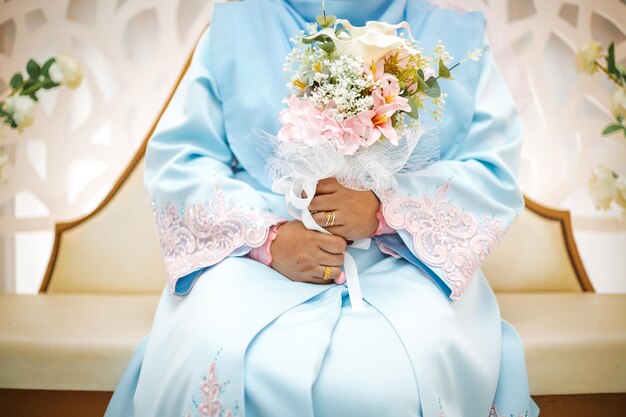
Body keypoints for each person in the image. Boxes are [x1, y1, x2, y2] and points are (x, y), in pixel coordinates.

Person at [105, 1, 540, 416]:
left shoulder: (456, 38)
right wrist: (268, 238)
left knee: (401, 371)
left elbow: (492, 171)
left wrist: (384, 211)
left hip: (409, 260)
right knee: (212, 347)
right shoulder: (235, 29)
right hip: (253, 260)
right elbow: (181, 163)